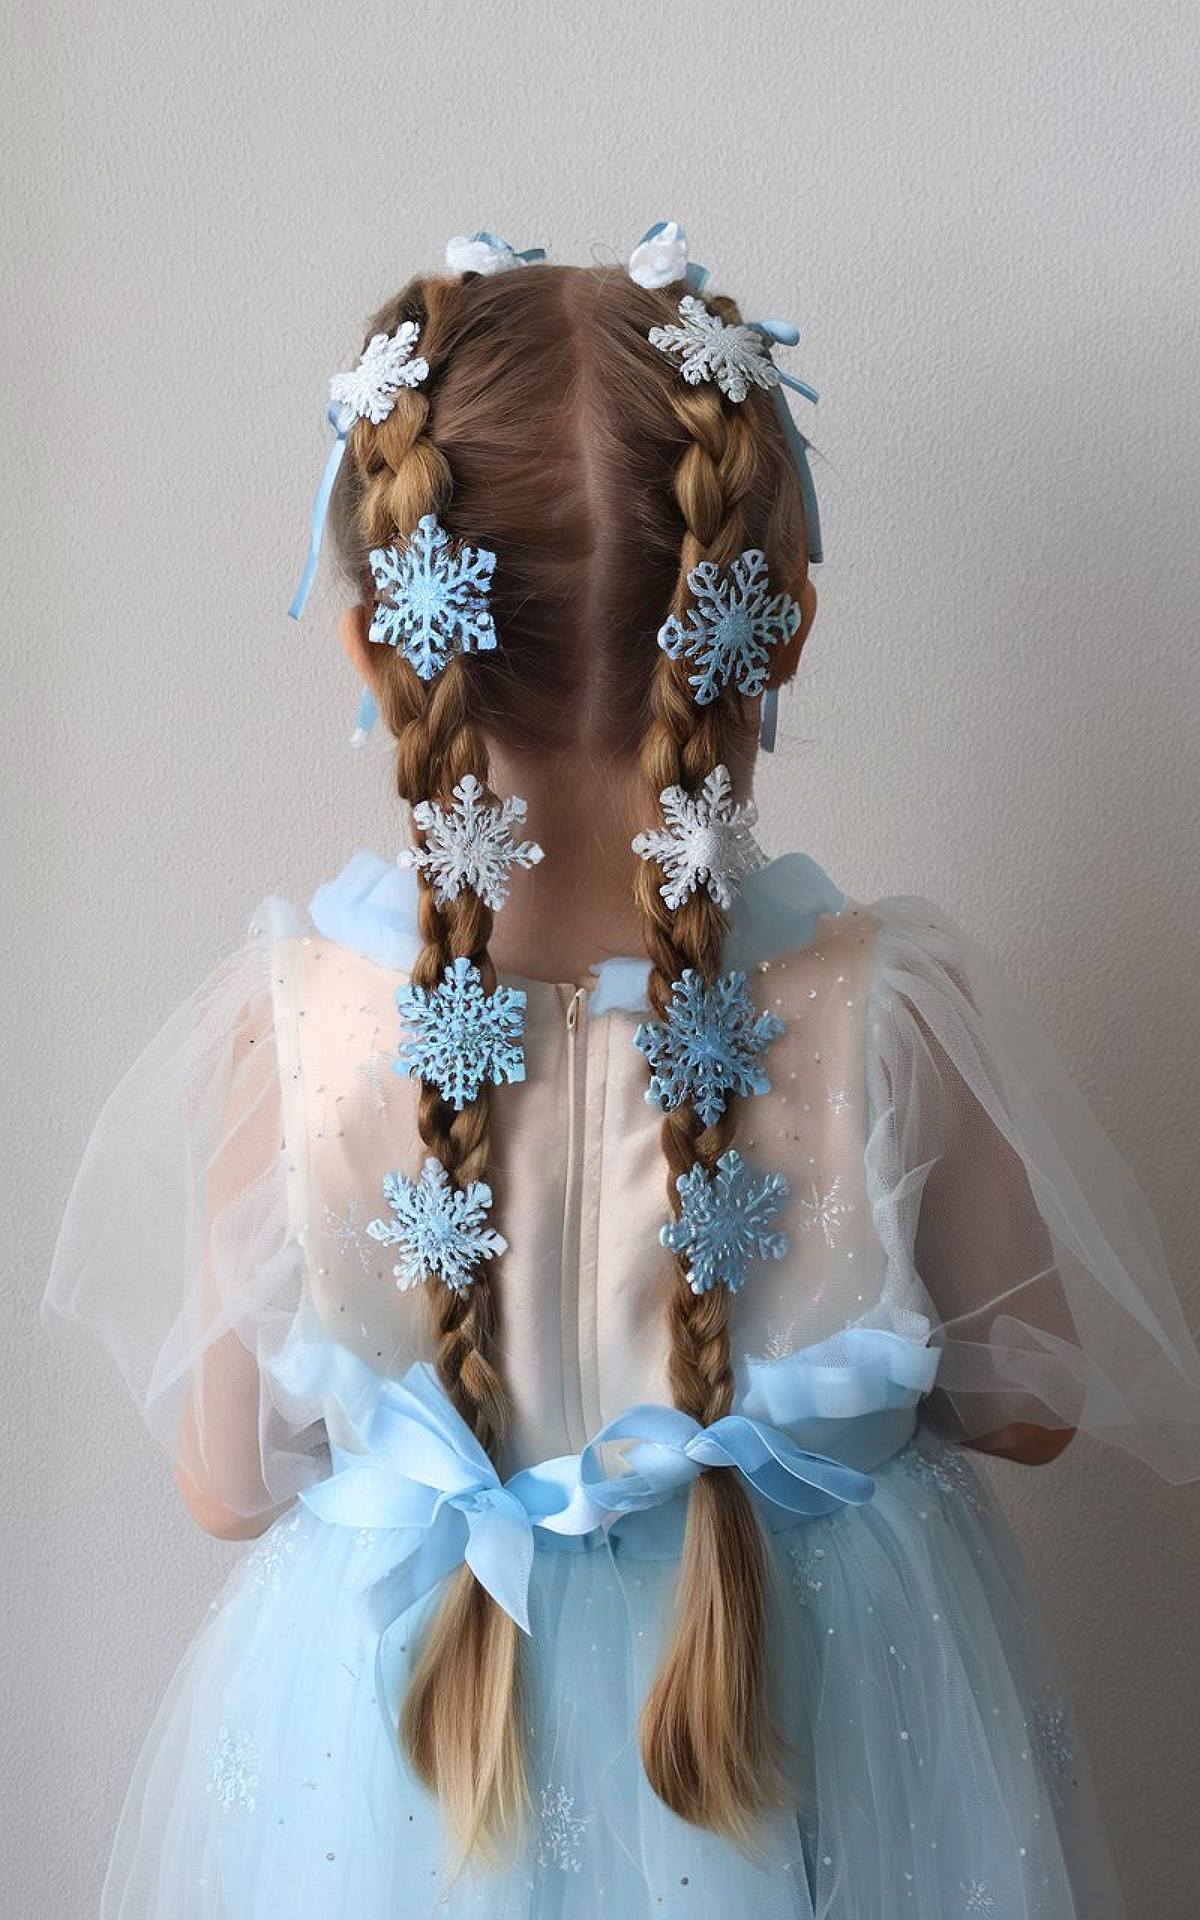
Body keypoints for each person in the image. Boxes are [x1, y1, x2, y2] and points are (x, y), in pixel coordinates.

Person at [46, 224, 1200, 1919]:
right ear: (775, 631)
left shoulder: (300, 1045)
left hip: (394, 1810)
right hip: (819, 1782)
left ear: (384, 652)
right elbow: (1030, 1404)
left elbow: (226, 1484)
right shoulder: (886, 1025)